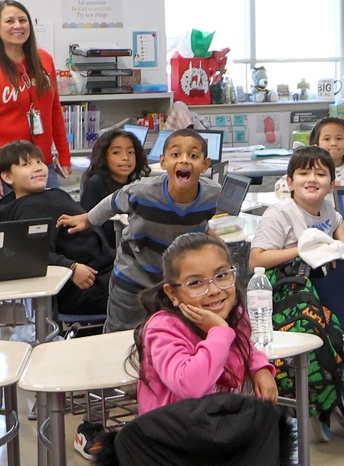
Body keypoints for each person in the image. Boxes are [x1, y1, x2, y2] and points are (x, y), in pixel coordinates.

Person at [125, 230, 335, 466]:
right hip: (178, 460)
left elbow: (247, 345)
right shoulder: (164, 329)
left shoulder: (233, 313)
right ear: (172, 293)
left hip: (223, 448)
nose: (214, 290)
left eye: (222, 276)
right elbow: (190, 384)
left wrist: (260, 367)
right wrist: (219, 333)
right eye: (195, 283)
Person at [60, 128, 238, 332]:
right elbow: (113, 202)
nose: (185, 160)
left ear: (205, 165)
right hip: (132, 278)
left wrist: (208, 236)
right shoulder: (143, 191)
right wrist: (87, 219)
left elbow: (200, 220)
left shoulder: (212, 195)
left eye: (194, 155)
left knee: (174, 334)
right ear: (163, 162)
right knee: (122, 336)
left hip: (175, 283)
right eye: (176, 154)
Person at [0, 142, 110, 318]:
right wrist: (70, 267)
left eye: (39, 162)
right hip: (85, 285)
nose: (38, 168)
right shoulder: (29, 209)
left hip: (104, 273)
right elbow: (33, 254)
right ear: (8, 177)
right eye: (26, 164)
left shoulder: (54, 194)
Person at [0, 0, 71, 200]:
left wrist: (64, 156)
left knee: (50, 223)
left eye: (23, 20)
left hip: (42, 163)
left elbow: (54, 111)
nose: (18, 26)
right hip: (6, 167)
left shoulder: (45, 60)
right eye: (9, 21)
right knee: (14, 227)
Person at [251, 145, 344, 271]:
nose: (312, 179)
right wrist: (304, 250)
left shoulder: (327, 207)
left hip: (322, 280)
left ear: (331, 185)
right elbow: (256, 261)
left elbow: (339, 222)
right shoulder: (279, 214)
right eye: (303, 173)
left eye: (320, 174)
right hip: (291, 284)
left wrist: (341, 248)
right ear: (290, 183)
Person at [272, 115, 344, 198]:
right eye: (327, 139)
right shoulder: (308, 165)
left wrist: (340, 185)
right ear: (316, 143)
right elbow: (280, 186)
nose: (333, 143)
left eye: (339, 139)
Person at [79, 126, 148, 210]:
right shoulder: (96, 184)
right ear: (104, 156)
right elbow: (87, 220)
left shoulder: (136, 183)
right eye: (116, 153)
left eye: (130, 152)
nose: (126, 157)